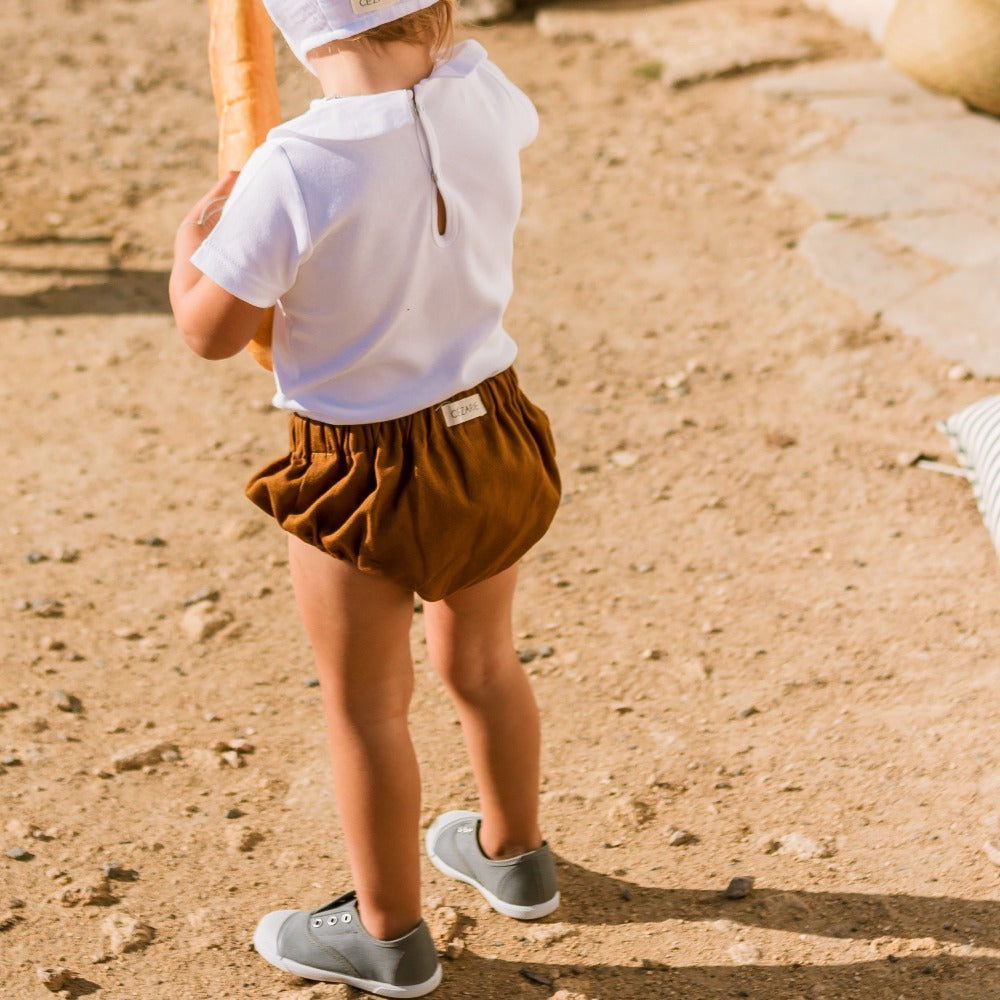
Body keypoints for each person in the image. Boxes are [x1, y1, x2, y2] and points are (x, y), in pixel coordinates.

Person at [168, 0, 561, 994]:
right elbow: (476, 124)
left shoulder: (289, 168)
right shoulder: (481, 91)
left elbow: (212, 333)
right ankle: (516, 856)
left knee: (366, 708)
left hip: (360, 471)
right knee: (483, 661)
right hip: (490, 431)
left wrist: (190, 254)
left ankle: (386, 935)